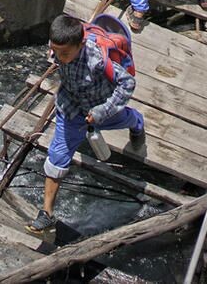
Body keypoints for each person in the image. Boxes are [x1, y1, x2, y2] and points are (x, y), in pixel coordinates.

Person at [26, 14, 145, 233]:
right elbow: (58, 53)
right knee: (57, 156)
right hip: (71, 109)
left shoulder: (96, 59)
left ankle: (138, 124)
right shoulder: (58, 48)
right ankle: (46, 214)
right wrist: (57, 54)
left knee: (128, 119)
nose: (59, 57)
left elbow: (127, 83)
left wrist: (102, 111)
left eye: (65, 53)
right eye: (55, 51)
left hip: (103, 107)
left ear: (80, 45)